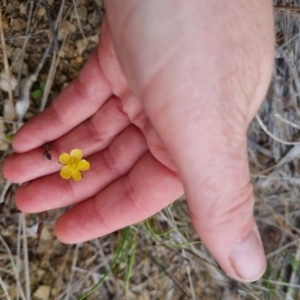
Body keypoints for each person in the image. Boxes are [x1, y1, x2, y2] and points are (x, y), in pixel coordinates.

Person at [3, 0, 274, 282]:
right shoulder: (76, 160)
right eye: (72, 162)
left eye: (72, 161)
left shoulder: (77, 161)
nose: (72, 162)